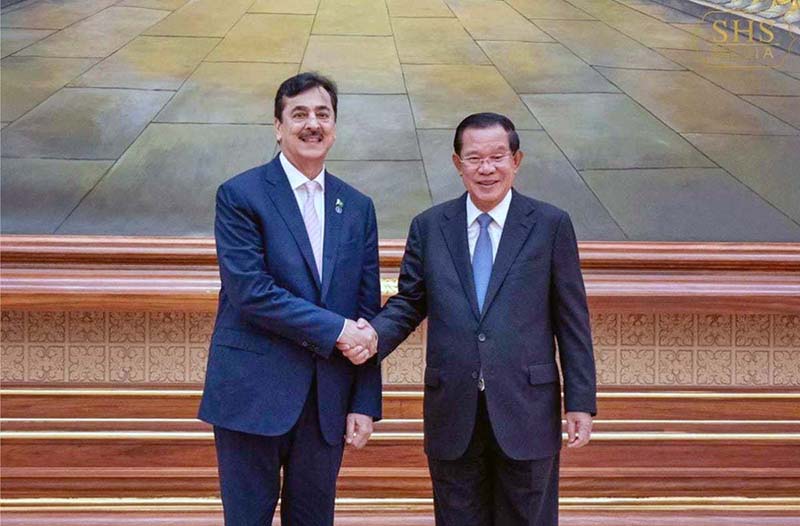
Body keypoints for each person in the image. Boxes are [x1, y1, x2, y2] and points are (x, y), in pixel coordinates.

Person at [341, 112, 597, 526]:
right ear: (458, 164)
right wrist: (371, 336)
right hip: (453, 411)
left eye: (497, 157)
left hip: (527, 410)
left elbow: (572, 320)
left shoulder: (550, 225)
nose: (486, 168)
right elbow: (409, 303)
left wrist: (580, 402)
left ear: (516, 160)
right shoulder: (429, 227)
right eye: (474, 158)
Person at [198, 72, 381, 526]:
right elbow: (251, 292)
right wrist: (337, 329)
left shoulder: (357, 207)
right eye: (299, 114)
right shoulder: (240, 195)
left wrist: (364, 401)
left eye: (322, 114)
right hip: (251, 396)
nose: (312, 124)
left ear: (334, 126)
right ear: (278, 127)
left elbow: (366, 310)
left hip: (326, 402)